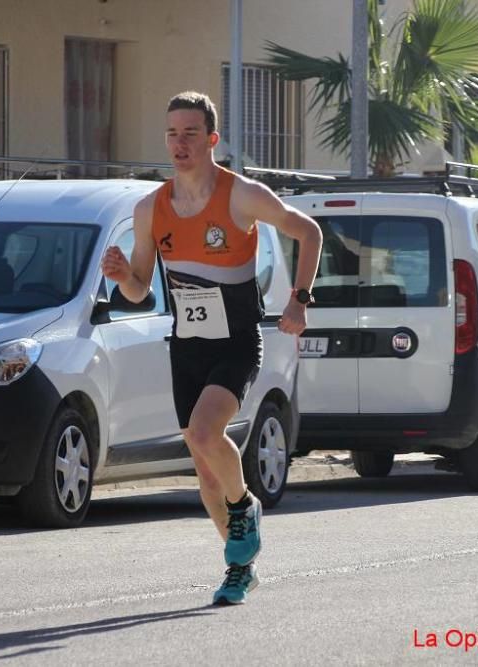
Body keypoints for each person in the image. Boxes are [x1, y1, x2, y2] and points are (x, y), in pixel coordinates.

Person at [101, 91, 322, 606]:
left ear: (212, 140)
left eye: (191, 134)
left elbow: (307, 232)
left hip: (238, 339)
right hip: (188, 346)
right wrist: (122, 276)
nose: (180, 144)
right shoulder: (149, 209)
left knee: (205, 432)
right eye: (172, 134)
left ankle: (244, 505)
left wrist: (299, 301)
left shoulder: (241, 195)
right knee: (203, 467)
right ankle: (238, 566)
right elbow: (139, 289)